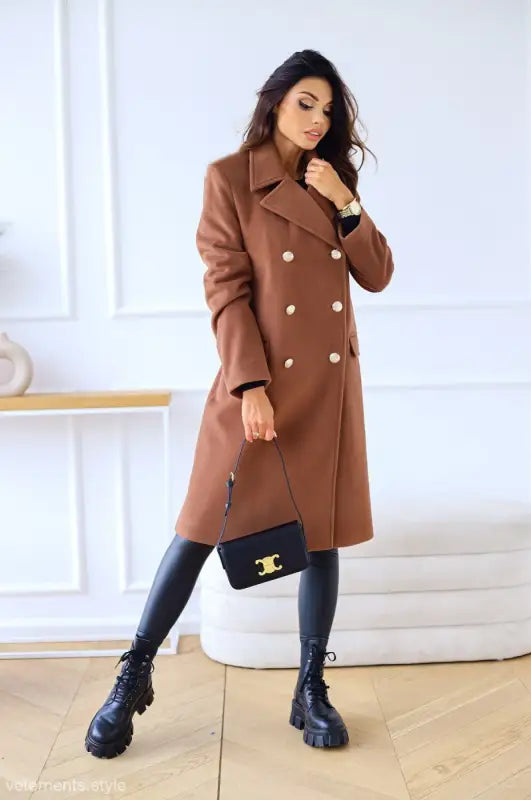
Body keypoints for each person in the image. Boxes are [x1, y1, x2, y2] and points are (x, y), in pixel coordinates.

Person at [85, 48, 394, 759]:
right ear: (276, 101)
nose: (317, 120)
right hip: (256, 383)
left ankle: (310, 687)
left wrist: (345, 201)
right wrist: (250, 386)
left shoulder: (332, 181)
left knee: (319, 537)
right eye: (305, 103)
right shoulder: (229, 177)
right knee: (198, 528)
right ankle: (132, 676)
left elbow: (377, 273)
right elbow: (225, 288)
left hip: (326, 389)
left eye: (328, 109)